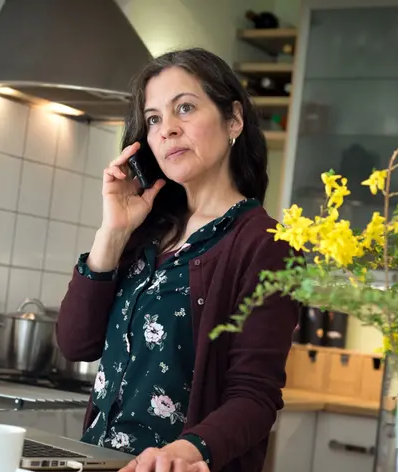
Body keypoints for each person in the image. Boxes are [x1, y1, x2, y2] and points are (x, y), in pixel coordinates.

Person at [55, 47, 299, 472]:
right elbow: (76, 343)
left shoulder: (266, 243)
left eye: (184, 108)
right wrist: (113, 232)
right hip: (99, 463)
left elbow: (255, 397)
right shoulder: (145, 231)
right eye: (153, 119)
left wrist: (184, 452)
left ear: (234, 120)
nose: (166, 129)